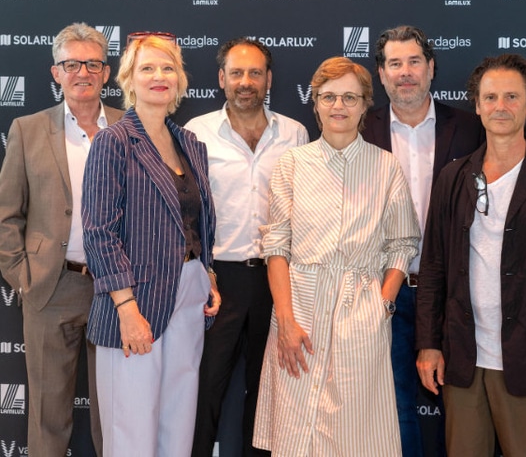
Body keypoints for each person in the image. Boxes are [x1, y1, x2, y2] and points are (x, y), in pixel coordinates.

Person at [416, 54, 526, 457]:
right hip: (463, 358)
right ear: (477, 105)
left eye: (512, 96)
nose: (500, 106)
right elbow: (434, 267)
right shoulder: (453, 178)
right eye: (490, 97)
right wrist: (428, 344)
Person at [253, 56, 420, 456]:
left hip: (360, 311)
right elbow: (276, 246)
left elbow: (403, 242)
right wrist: (286, 320)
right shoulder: (292, 164)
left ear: (365, 105)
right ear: (315, 103)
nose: (338, 106)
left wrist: (382, 304)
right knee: (296, 433)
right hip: (299, 310)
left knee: (356, 435)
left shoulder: (386, 167)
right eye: (328, 97)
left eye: (349, 97)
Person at [82, 32, 220, 457]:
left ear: (179, 80)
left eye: (168, 68)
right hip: (136, 300)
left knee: (178, 422)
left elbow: (195, 221)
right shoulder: (113, 141)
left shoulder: (191, 144)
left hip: (189, 292)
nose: (159, 76)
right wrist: (126, 309)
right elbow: (99, 232)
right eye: (147, 68)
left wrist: (208, 274)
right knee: (132, 429)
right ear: (129, 80)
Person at [0, 22, 122, 457]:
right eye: (72, 65)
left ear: (106, 72)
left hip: (118, 291)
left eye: (92, 64)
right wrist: (24, 277)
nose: (82, 73)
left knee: (117, 415)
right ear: (56, 73)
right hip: (51, 287)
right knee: (48, 417)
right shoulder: (27, 129)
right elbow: (7, 214)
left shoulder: (132, 128)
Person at [362, 25, 484, 456]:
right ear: (381, 74)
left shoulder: (471, 128)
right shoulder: (360, 128)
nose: (406, 72)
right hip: (385, 290)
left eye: (414, 61)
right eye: (395, 63)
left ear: (431, 67)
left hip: (455, 291)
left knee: (465, 406)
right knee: (394, 406)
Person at [187, 38, 308, 457]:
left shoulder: (294, 133)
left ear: (269, 79)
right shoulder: (196, 132)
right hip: (217, 281)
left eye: (255, 73)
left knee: (269, 393)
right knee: (205, 390)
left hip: (277, 280)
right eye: (236, 73)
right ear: (221, 78)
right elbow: (187, 210)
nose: (246, 82)